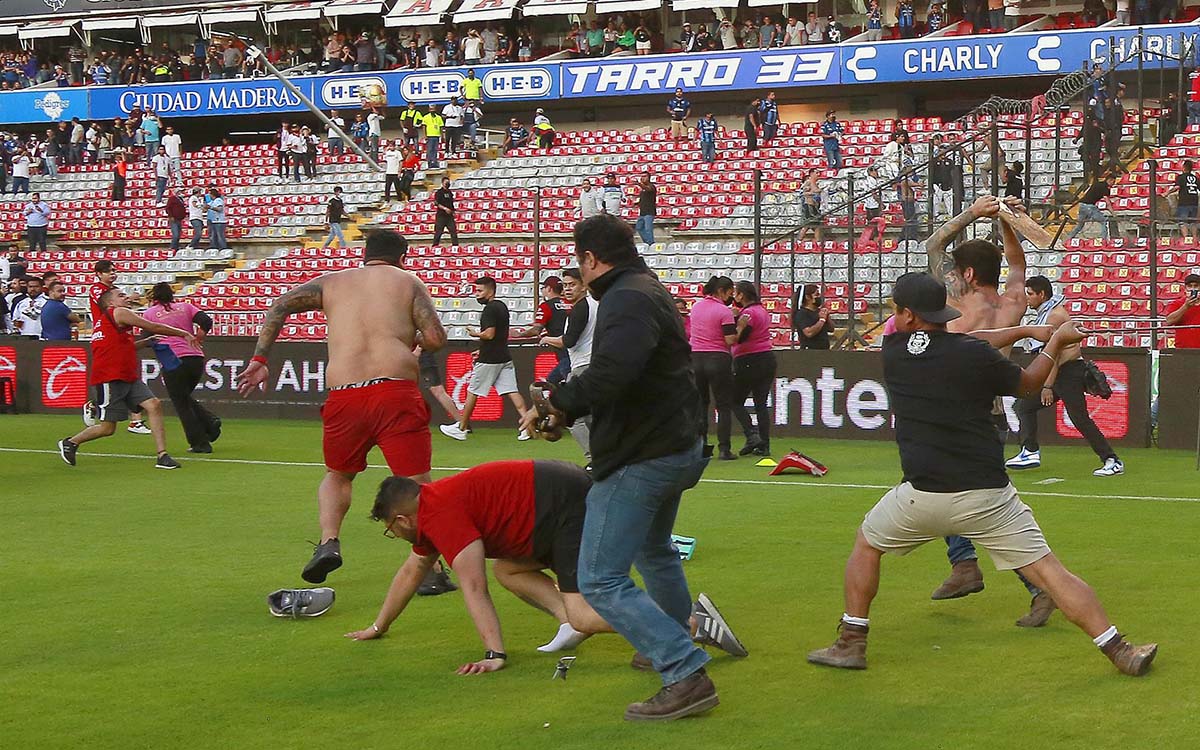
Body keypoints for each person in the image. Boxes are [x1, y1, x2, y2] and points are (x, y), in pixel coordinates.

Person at [806, 272, 1158, 678]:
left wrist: (1026, 329)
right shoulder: (970, 355)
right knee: (1049, 572)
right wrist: (1055, 342)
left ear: (907, 314)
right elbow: (1027, 384)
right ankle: (1120, 651)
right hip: (987, 497)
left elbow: (964, 344)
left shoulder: (893, 348)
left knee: (866, 545)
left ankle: (851, 642)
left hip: (920, 496)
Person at [519, 214, 721, 721]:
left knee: (599, 579)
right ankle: (671, 642)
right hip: (673, 444)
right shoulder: (644, 288)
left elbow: (613, 374)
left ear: (590, 259)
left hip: (644, 453)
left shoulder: (625, 297)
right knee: (655, 551)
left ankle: (683, 669)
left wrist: (558, 403)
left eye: (577, 261)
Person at [348, 463, 747, 671]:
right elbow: (411, 572)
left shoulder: (440, 515)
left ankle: (690, 625)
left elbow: (473, 588)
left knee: (587, 613)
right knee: (510, 570)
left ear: (401, 520)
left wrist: (495, 653)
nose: (394, 535)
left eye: (389, 530)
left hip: (562, 507)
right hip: (551, 506)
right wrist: (378, 626)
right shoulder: (431, 506)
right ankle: (572, 620)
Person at [236, 230, 447, 584]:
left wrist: (260, 358)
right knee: (415, 482)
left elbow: (279, 306)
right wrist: (410, 338)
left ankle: (328, 542)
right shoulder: (408, 281)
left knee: (338, 474)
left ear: (365, 253)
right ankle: (431, 569)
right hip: (394, 391)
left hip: (345, 394)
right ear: (403, 257)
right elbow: (437, 339)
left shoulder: (331, 282)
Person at [925, 194, 1061, 625]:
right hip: (990, 412)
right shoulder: (1012, 302)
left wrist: (975, 213)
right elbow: (1018, 266)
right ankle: (966, 564)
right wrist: (1006, 220)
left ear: (964, 273)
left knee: (967, 500)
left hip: (950, 408)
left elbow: (932, 246)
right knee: (944, 490)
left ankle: (1000, 574)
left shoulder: (958, 296)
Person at [58, 288, 196, 471]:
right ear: (110, 303)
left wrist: (146, 343)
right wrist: (183, 333)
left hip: (126, 375)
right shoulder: (119, 313)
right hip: (110, 377)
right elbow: (151, 326)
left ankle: (162, 455)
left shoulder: (106, 322)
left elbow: (123, 347)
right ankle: (71, 442)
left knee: (154, 404)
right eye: (121, 295)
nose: (127, 297)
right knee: (108, 428)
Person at [1007, 276, 1123, 477]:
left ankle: (1112, 460)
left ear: (1042, 294)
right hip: (1060, 371)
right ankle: (1030, 451)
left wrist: (1047, 386)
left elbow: (1055, 353)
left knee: (1080, 419)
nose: (1028, 299)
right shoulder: (1048, 313)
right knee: (1024, 406)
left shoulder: (1054, 316)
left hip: (1068, 372)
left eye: (1030, 294)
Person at [440, 276, 531, 442]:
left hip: (489, 360)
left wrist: (475, 334)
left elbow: (489, 334)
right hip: (504, 356)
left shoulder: (489, 309)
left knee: (472, 391)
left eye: (480, 290)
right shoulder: (502, 306)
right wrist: (480, 349)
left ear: (490, 290)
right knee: (512, 391)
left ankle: (462, 428)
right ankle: (527, 427)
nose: (477, 294)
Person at [142, 282, 221, 454]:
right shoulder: (185, 306)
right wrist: (201, 334)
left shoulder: (149, 313)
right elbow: (206, 320)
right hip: (195, 357)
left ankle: (200, 442)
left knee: (181, 403)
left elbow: (146, 338)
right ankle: (210, 422)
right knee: (183, 397)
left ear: (154, 297)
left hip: (172, 359)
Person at [539, 268, 597, 461]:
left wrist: (547, 339)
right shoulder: (596, 304)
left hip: (582, 367)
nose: (567, 289)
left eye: (572, 285)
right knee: (592, 416)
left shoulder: (580, 308)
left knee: (573, 416)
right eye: (565, 285)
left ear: (584, 285)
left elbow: (569, 341)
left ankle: (594, 458)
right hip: (596, 365)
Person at [89, 259, 150, 435]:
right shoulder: (98, 290)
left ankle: (135, 420)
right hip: (107, 332)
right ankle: (94, 404)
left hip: (118, 330)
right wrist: (130, 299)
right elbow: (104, 302)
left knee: (127, 372)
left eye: (114, 271)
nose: (113, 274)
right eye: (109, 271)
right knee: (116, 375)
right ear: (99, 274)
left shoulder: (114, 293)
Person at [690, 275, 738, 461]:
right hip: (717, 358)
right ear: (721, 291)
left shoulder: (696, 307)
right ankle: (724, 449)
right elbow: (729, 339)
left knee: (701, 405)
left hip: (696, 357)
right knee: (723, 405)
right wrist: (739, 324)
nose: (730, 297)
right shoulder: (723, 311)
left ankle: (701, 447)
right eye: (729, 293)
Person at [729, 281, 776, 457]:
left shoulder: (747, 313)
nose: (734, 297)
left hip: (749, 359)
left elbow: (740, 337)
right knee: (761, 404)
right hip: (767, 357)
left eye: (736, 293)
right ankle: (764, 445)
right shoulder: (762, 310)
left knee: (735, 400)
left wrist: (735, 320)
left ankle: (752, 435)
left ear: (742, 295)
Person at [514, 275, 572, 384]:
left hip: (564, 352)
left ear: (549, 288)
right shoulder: (571, 303)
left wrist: (519, 334)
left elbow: (536, 330)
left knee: (568, 386)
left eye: (543, 288)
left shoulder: (545, 306)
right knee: (551, 382)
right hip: (577, 350)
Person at [1069, 172, 1114, 240]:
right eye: (1113, 182)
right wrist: (1113, 213)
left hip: (1082, 205)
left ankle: (1068, 239)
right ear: (1109, 180)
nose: (1113, 184)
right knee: (1104, 221)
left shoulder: (1096, 184)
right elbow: (1108, 203)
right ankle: (1104, 241)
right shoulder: (1105, 188)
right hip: (1090, 206)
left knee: (1080, 225)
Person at [1164, 273, 1200, 348]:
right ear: (1185, 288)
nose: (1193, 289)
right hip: (1183, 349)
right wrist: (1186, 306)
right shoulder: (1177, 303)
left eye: (1196, 286)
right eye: (1190, 286)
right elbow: (1169, 321)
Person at [1168, 159, 1199, 242]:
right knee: (1193, 222)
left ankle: (1187, 240)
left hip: (1184, 202)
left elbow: (1177, 187)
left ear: (1184, 167)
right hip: (1194, 202)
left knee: (1183, 222)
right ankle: (1195, 239)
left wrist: (1166, 193)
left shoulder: (1181, 177)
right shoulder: (1195, 178)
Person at [432, 177, 458, 247]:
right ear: (442, 183)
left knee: (453, 232)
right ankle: (434, 246)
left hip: (449, 216)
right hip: (441, 216)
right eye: (446, 182)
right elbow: (436, 203)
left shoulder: (450, 192)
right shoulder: (439, 192)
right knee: (438, 233)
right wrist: (445, 209)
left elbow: (451, 203)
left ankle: (455, 247)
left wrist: (453, 211)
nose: (448, 184)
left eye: (448, 182)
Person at [635, 174, 657, 245]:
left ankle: (651, 243)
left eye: (645, 176)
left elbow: (648, 189)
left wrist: (639, 184)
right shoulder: (642, 190)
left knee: (648, 229)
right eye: (642, 176)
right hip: (642, 212)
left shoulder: (652, 187)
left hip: (649, 212)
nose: (643, 178)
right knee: (639, 227)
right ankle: (647, 242)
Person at [422, 104, 444, 169]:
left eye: (433, 109)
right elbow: (424, 126)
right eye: (431, 109)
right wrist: (425, 135)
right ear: (429, 110)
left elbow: (441, 127)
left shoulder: (438, 117)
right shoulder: (426, 117)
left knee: (435, 150)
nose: (432, 110)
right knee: (430, 150)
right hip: (429, 135)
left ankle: (434, 161)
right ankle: (430, 162)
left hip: (436, 135)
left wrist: (442, 136)